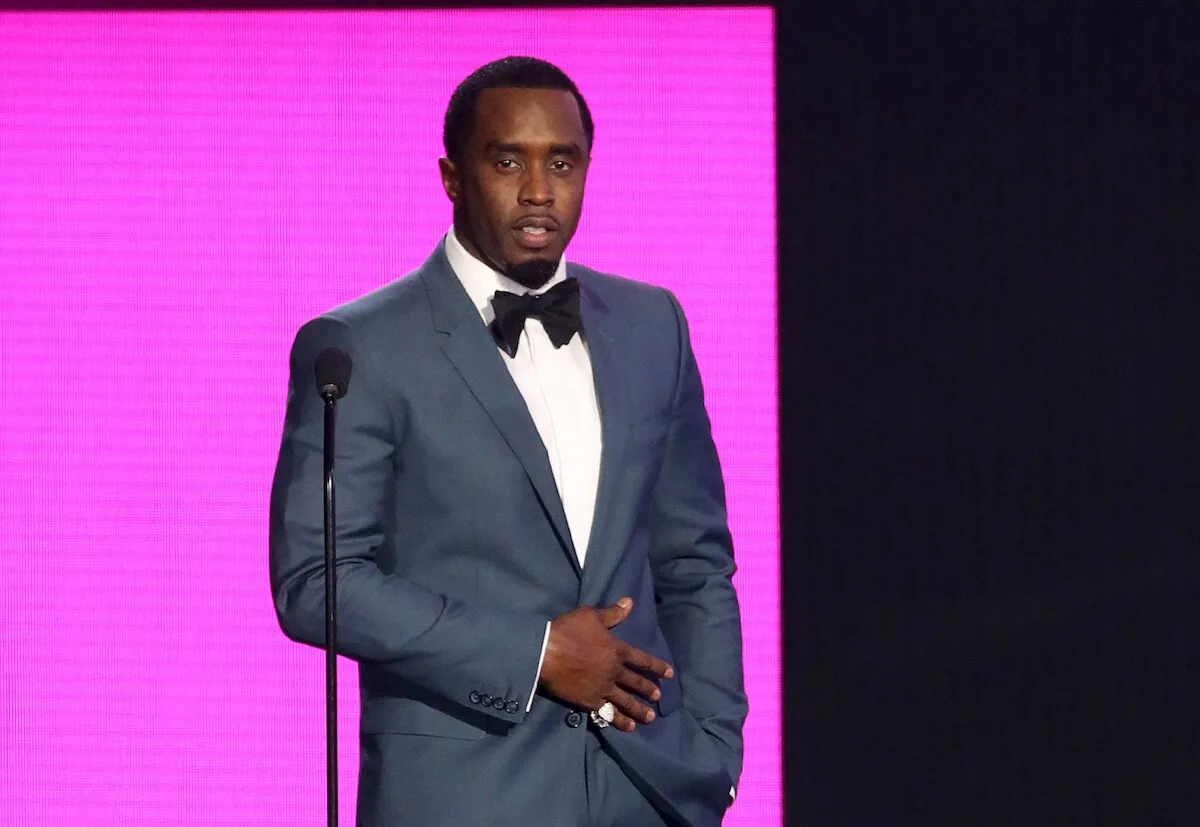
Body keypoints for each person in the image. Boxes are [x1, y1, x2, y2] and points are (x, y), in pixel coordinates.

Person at [269, 56, 746, 827]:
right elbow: (318, 582)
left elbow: (693, 560)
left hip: (647, 791)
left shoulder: (655, 325)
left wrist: (715, 753)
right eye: (507, 161)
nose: (537, 191)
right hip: (462, 796)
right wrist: (536, 652)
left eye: (561, 162)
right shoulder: (360, 346)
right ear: (453, 176)